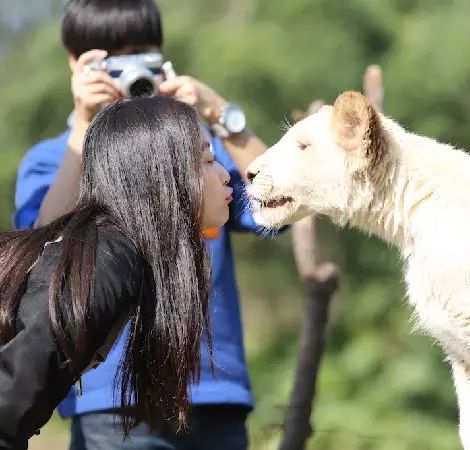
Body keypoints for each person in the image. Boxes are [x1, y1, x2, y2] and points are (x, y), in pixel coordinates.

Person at [13, 1, 279, 449]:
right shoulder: (53, 159)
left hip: (215, 389)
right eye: (107, 63)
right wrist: (84, 126)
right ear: (75, 66)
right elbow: (45, 255)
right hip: (112, 399)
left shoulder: (201, 157)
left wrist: (222, 116)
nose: (127, 74)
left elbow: (276, 209)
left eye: (141, 55)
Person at [1, 96, 232, 450]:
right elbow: (8, 403)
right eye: (207, 160)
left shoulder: (112, 250)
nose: (224, 174)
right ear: (163, 173)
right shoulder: (109, 260)